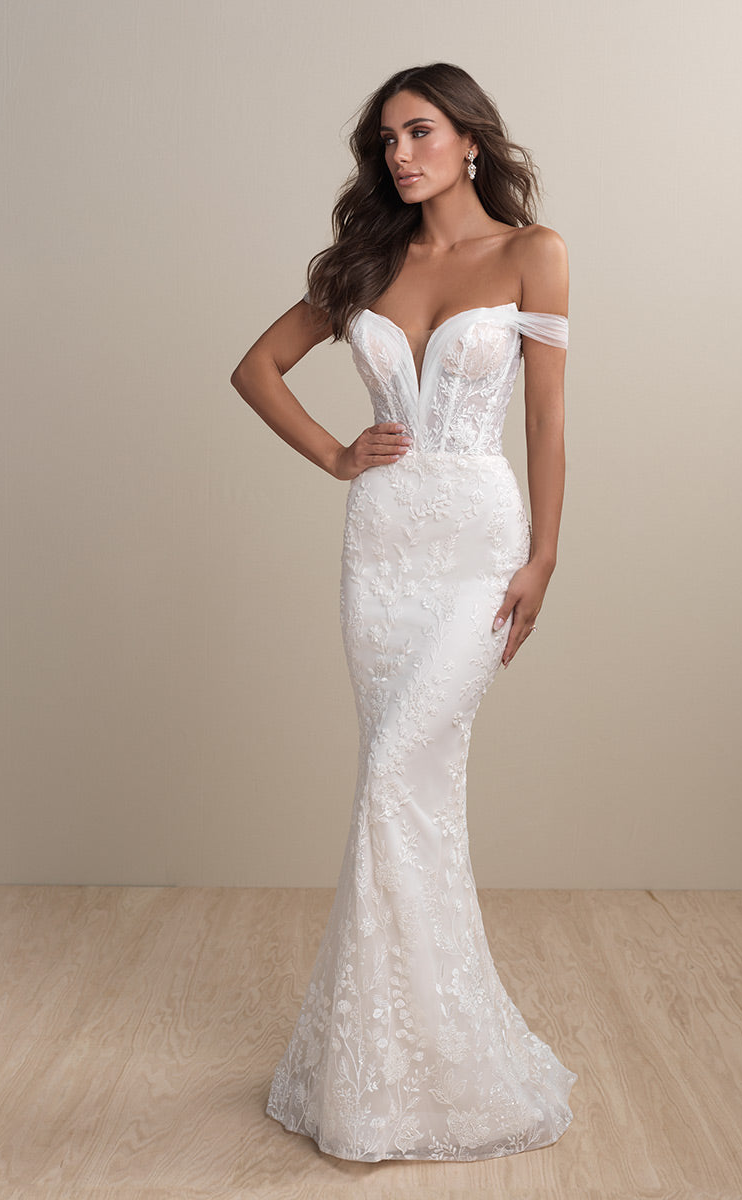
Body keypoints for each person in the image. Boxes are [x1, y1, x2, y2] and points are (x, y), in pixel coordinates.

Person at [230, 62, 577, 1162]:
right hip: (382, 553)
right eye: (386, 140)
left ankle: (436, 1060)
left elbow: (548, 422)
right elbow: (257, 367)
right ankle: (385, 1065)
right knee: (397, 787)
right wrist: (338, 453)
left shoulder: (532, 253)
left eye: (419, 131)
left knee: (399, 779)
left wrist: (545, 556)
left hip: (478, 548)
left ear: (470, 139)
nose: (400, 154)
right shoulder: (368, 262)